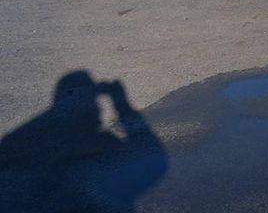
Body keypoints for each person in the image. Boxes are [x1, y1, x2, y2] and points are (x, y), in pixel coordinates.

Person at [0, 71, 167, 213]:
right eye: (93, 102)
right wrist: (121, 104)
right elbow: (154, 160)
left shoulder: (19, 148)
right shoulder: (100, 149)